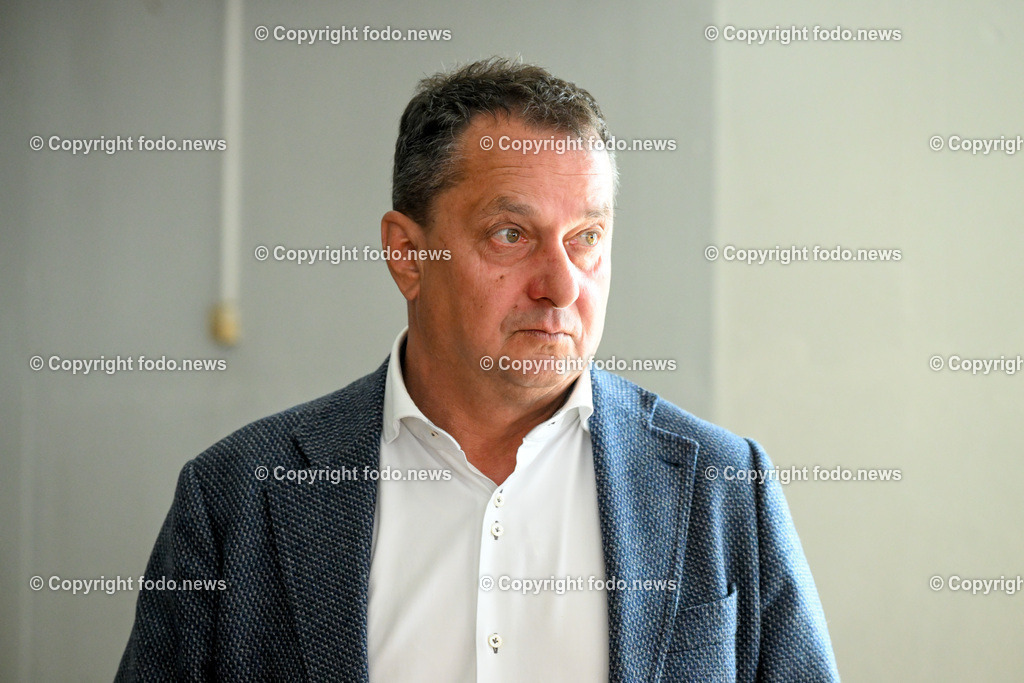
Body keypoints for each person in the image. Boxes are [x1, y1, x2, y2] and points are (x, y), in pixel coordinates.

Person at [117, 57, 839, 682]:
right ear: (408, 254)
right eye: (510, 234)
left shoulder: (723, 485)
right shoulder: (237, 497)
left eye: (587, 237)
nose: (561, 285)